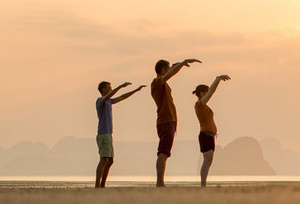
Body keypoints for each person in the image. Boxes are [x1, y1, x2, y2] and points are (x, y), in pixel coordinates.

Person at [150, 57, 201, 186]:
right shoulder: (156, 82)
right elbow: (169, 74)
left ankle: (160, 181)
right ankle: (159, 182)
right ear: (162, 69)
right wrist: (183, 63)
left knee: (165, 153)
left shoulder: (163, 84)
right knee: (163, 152)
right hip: (165, 121)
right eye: (166, 68)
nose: (168, 70)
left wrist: (176, 65)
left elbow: (170, 72)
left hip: (170, 121)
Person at [94, 80, 146, 188]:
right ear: (103, 89)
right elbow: (108, 96)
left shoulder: (109, 101)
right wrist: (120, 86)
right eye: (109, 87)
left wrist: (136, 90)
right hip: (103, 134)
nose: (111, 89)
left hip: (108, 134)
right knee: (103, 159)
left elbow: (122, 97)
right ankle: (97, 185)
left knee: (110, 160)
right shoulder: (100, 100)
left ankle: (102, 185)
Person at [192, 75, 230, 186]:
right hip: (205, 135)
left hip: (210, 135)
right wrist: (218, 79)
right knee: (207, 160)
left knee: (208, 161)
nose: (208, 94)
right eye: (206, 92)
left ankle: (204, 183)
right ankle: (203, 184)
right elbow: (212, 92)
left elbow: (210, 92)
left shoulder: (205, 106)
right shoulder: (199, 105)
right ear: (202, 93)